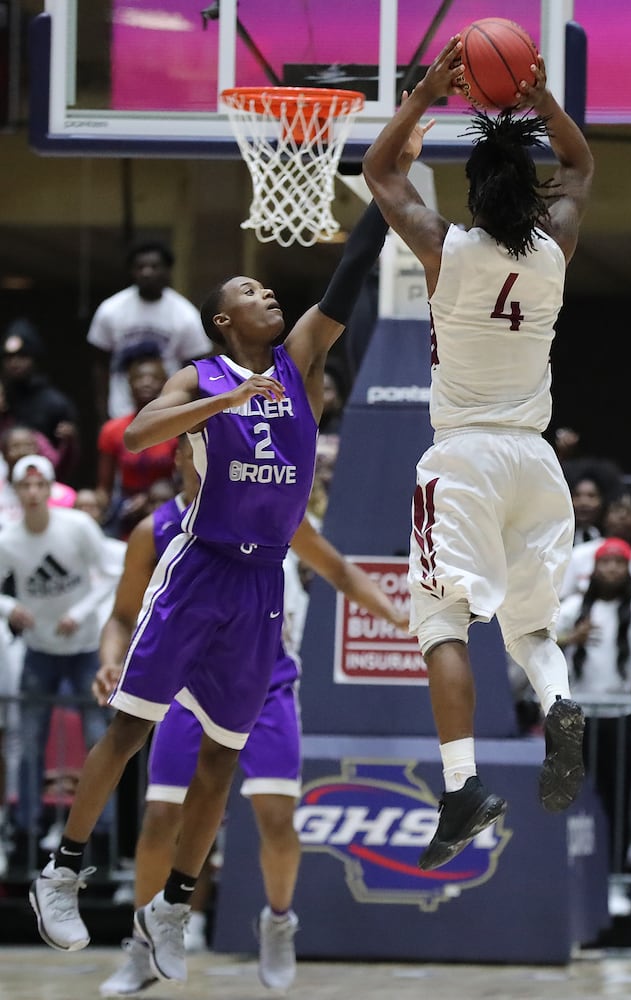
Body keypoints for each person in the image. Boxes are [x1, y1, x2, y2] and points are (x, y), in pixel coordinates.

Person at [28, 123, 426, 980]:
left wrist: (391, 166)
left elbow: (353, 268)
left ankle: (173, 904)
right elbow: (139, 433)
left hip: (261, 586)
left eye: (267, 286)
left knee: (222, 759)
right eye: (249, 288)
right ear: (221, 319)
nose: (267, 293)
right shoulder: (202, 376)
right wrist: (223, 400)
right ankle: (61, 870)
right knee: (131, 730)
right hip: (200, 566)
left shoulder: (299, 364)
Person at [362, 37, 593, 870]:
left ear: (471, 193)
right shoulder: (555, 248)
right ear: (532, 193)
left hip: (463, 457)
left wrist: (424, 96)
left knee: (440, 619)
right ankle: (560, 703)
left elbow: (380, 172)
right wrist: (541, 102)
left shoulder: (444, 249)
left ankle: (461, 788)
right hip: (536, 461)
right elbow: (580, 166)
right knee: (531, 628)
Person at [92, 437, 408, 995]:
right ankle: (143, 945)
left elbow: (338, 570)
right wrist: (112, 661)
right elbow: (120, 616)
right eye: (203, 449)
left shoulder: (272, 513)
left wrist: (401, 621)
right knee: (162, 819)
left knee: (277, 819)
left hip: (267, 686)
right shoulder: (156, 530)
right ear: (183, 459)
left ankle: (278, 922)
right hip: (185, 689)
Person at [0, 455, 121, 866]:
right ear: (16, 492)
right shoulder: (9, 539)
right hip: (39, 652)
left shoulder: (78, 527)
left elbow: (111, 574)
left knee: (98, 742)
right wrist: (10, 607)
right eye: (25, 487)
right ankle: (26, 831)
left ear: (51, 489)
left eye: (40, 486)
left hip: (86, 650)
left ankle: (101, 837)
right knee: (29, 742)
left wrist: (82, 612)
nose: (33, 494)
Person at [556, 536, 631, 916]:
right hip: (579, 716)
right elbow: (538, 641)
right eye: (607, 562)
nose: (613, 569)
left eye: (621, 563)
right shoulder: (573, 607)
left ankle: (616, 879)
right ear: (594, 568)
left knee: (619, 800)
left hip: (623, 717)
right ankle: (577, 878)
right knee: (576, 799)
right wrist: (572, 638)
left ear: (629, 569)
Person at [87, 240, 213, 423]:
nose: (147, 272)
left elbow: (198, 370)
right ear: (132, 271)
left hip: (167, 410)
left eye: (154, 266)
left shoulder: (185, 314)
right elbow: (100, 365)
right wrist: (102, 411)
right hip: (120, 408)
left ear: (167, 271)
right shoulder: (110, 309)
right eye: (140, 267)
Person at [95, 347, 177, 538]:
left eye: (153, 378)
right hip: (126, 510)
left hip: (164, 505)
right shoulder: (112, 430)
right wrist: (97, 511)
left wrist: (150, 499)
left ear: (164, 384)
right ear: (129, 383)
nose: (145, 383)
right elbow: (104, 487)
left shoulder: (175, 428)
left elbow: (183, 481)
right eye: (139, 378)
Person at [0, 319, 81, 481]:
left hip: (41, 485)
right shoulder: (3, 398)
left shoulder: (55, 403)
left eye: (22, 356)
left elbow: (64, 463)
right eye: (9, 357)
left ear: (34, 359)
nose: (14, 363)